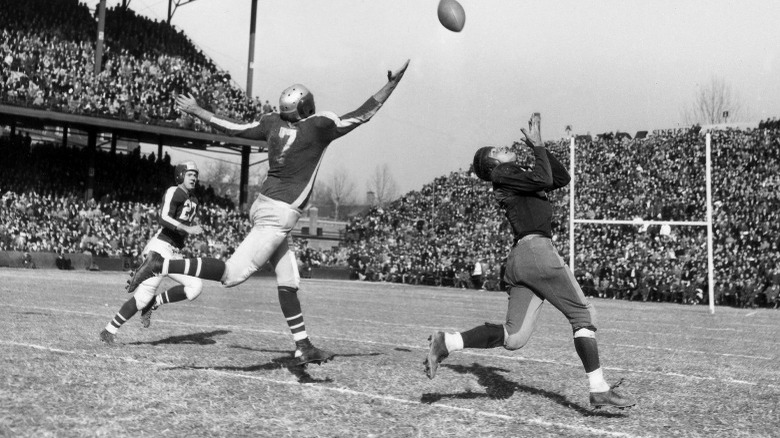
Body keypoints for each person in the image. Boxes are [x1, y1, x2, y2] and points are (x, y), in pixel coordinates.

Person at [126, 60, 410, 366]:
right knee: (231, 275)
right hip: (278, 214)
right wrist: (391, 85)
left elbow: (234, 127)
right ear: (306, 107)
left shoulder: (272, 123)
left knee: (289, 279)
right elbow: (362, 114)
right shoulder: (319, 126)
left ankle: (303, 346)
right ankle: (161, 263)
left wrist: (198, 111)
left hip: (265, 206)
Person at [424, 113, 636, 410]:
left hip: (523, 259)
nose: (502, 147)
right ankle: (598, 387)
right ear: (493, 165)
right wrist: (536, 148)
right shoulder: (501, 175)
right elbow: (545, 178)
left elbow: (560, 178)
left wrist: (541, 146)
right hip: (537, 252)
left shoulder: (515, 176)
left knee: (513, 338)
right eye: (496, 151)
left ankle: (447, 342)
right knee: (584, 316)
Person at [100, 161, 204, 345]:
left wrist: (190, 229)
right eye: (190, 174)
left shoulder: (194, 200)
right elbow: (163, 218)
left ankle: (154, 303)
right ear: (180, 175)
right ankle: (109, 330)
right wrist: (187, 229)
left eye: (195, 174)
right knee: (142, 297)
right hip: (160, 249)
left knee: (195, 287)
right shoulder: (174, 191)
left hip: (174, 252)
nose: (194, 177)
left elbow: (182, 225)